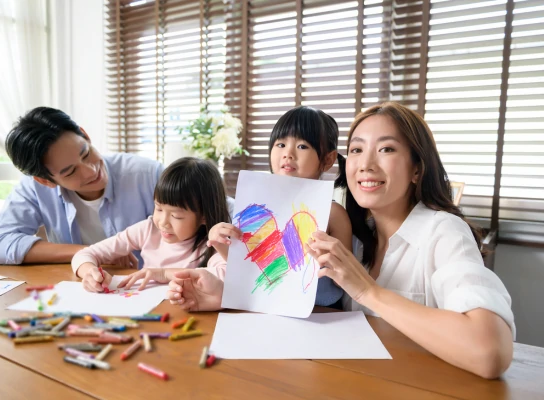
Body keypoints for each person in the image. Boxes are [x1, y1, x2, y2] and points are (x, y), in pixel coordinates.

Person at [166, 102, 515, 379]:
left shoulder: (443, 232)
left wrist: (368, 291)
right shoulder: (358, 231)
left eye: (387, 150)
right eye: (358, 150)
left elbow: (490, 353)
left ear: (417, 169)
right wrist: (225, 294)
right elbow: (298, 293)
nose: (366, 164)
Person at [206, 106, 353, 308]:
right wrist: (219, 242)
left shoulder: (334, 213)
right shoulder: (254, 210)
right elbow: (247, 269)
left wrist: (327, 260)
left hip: (321, 314)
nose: (288, 154)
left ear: (327, 159)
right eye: (281, 144)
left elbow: (347, 280)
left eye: (302, 146)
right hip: (263, 308)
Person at [0, 107, 163, 267]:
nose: (90, 171)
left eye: (86, 153)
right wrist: (94, 252)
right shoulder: (35, 189)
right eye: (70, 172)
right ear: (45, 181)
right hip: (83, 289)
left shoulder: (149, 175)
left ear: (85, 135)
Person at [72, 157, 231, 293]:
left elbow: (225, 277)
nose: (163, 222)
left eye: (175, 215)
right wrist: (89, 272)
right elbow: (85, 254)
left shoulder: (212, 244)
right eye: (159, 208)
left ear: (203, 216)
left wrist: (163, 274)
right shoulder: (148, 230)